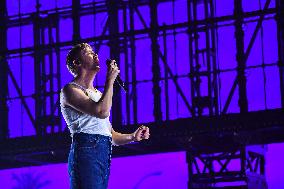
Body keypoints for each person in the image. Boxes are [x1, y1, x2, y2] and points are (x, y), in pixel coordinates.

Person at [60, 43, 150, 189]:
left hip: (103, 151)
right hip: (86, 150)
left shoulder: (99, 95)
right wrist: (110, 81)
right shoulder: (70, 90)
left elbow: (110, 135)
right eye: (89, 53)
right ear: (77, 63)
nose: (95, 55)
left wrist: (133, 136)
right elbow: (102, 111)